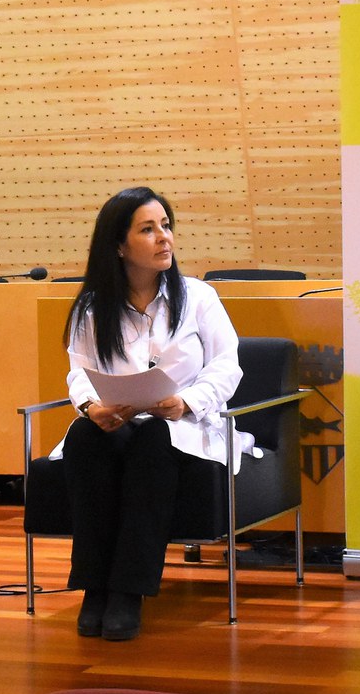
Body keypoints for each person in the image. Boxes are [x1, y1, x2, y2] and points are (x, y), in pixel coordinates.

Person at [53, 186, 251, 641]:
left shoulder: (198, 297)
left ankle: (127, 591)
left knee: (153, 439)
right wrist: (92, 407)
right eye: (148, 229)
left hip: (183, 426)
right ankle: (93, 587)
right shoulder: (91, 307)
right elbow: (79, 371)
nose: (165, 238)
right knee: (83, 437)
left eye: (166, 226)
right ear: (119, 246)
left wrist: (187, 401)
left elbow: (228, 365)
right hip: (118, 423)